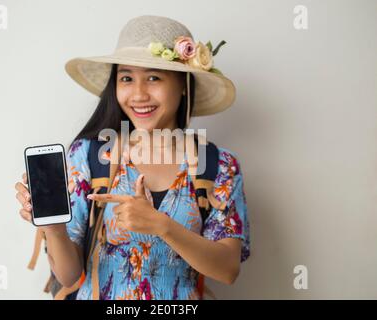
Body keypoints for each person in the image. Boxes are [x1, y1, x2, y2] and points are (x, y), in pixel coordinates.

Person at [14, 15, 250, 300]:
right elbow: (69, 274)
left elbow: (228, 270)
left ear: (184, 84)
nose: (138, 94)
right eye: (126, 78)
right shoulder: (89, 157)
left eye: (153, 77)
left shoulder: (219, 166)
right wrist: (52, 227)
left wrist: (162, 226)